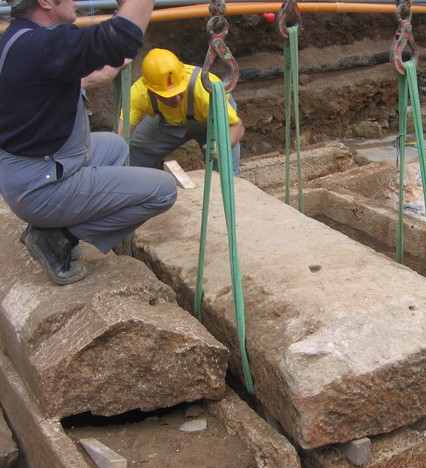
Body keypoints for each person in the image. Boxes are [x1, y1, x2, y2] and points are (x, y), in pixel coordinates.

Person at [0, 0, 177, 285]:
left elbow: (97, 71)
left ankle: (54, 221)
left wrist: (115, 46)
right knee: (164, 191)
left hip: (29, 169)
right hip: (39, 184)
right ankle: (55, 236)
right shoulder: (42, 46)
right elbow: (118, 39)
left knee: (115, 146)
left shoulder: (21, 38)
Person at [118, 48, 245, 176]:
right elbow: (122, 138)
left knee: (227, 175)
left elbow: (236, 126)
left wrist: (222, 147)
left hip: (215, 120)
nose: (177, 99)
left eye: (179, 91)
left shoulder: (205, 90)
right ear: (152, 90)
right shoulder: (138, 94)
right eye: (168, 95)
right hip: (170, 122)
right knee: (134, 152)